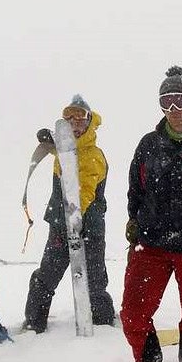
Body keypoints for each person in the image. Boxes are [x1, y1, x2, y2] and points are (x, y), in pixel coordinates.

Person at [121, 66, 182, 362]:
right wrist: (134, 223)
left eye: (180, 100)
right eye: (166, 101)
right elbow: (135, 190)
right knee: (133, 312)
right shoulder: (148, 145)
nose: (173, 109)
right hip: (152, 243)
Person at [22, 94, 115, 332]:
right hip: (60, 227)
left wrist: (75, 222)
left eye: (80, 118)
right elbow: (67, 153)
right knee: (47, 276)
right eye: (69, 118)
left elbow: (82, 193)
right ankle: (33, 325)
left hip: (89, 229)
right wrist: (50, 143)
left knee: (94, 281)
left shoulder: (94, 155)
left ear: (89, 121)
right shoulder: (65, 149)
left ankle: (103, 325)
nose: (75, 123)